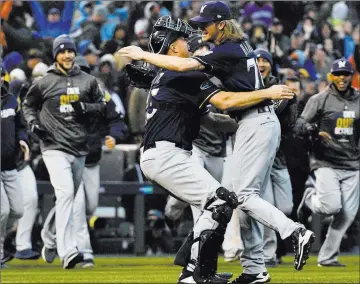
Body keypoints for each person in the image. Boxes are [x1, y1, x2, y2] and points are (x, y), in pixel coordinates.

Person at [118, 2, 314, 283]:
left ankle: (236, 265)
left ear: (221, 24)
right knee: (226, 200)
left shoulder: (213, 56)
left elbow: (212, 110)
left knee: (232, 199)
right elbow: (219, 100)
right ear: (172, 47)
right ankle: (212, 269)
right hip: (171, 152)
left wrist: (261, 107)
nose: (195, 35)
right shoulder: (207, 61)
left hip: (221, 134)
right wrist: (265, 96)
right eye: (186, 37)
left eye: (202, 25)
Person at [22, 34, 106, 269]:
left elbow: (102, 106)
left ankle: (49, 238)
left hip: (79, 148)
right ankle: (68, 251)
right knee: (67, 193)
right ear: (55, 55)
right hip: (53, 146)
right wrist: (32, 124)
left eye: (70, 51)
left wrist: (86, 108)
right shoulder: (44, 82)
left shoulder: (88, 80)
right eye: (62, 51)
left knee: (66, 198)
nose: (67, 55)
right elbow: (28, 105)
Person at [40, 55, 129, 268]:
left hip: (91, 160)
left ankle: (50, 235)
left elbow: (117, 121)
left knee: (90, 206)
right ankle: (84, 252)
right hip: (68, 155)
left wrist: (114, 135)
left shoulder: (101, 96)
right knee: (76, 205)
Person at [164, 33, 242, 263]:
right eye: (199, 54)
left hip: (219, 147)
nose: (203, 59)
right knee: (200, 200)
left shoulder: (222, 81)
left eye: (206, 54)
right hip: (192, 147)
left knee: (225, 199)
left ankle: (231, 248)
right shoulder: (183, 81)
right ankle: (200, 255)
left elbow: (229, 110)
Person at [295, 58, 360, 267]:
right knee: (331, 207)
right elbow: (300, 124)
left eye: (346, 74)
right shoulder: (319, 99)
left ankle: (327, 257)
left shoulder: (359, 99)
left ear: (351, 76)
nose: (342, 78)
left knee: (347, 215)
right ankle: (308, 200)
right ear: (331, 76)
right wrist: (312, 130)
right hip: (325, 161)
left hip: (353, 163)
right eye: (338, 74)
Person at [254, 48, 297, 267]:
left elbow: (290, 124)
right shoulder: (248, 85)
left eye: (265, 60)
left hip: (278, 156)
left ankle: (271, 250)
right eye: (258, 60)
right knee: (267, 205)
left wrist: (291, 104)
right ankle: (268, 254)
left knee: (286, 207)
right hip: (258, 156)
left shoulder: (281, 88)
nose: (261, 63)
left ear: (271, 64)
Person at [0, 67, 28, 267]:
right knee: (2, 211)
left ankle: (3, 241)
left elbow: (20, 125)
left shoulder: (11, 100)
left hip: (10, 164)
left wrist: (23, 140)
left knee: (17, 210)